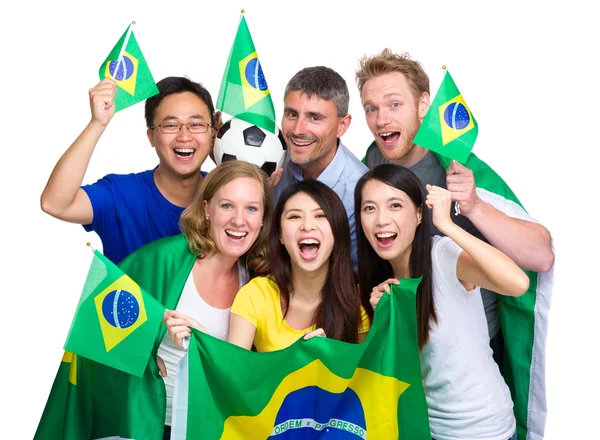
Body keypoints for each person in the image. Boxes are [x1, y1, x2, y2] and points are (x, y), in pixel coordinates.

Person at [355, 49, 554, 369]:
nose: (381, 120)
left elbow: (541, 255)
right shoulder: (373, 161)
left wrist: (474, 206)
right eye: (371, 108)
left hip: (473, 352)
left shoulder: (458, 166)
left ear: (423, 105)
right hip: (411, 344)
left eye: (394, 104)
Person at [54, 160, 273, 440]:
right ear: (207, 209)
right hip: (147, 424)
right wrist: (144, 348)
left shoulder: (259, 280)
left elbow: (250, 370)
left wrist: (204, 343)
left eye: (251, 208)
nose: (239, 220)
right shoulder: (159, 261)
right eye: (227, 205)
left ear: (263, 218)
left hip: (211, 427)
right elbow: (96, 326)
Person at [355, 164, 528, 440]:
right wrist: (385, 321)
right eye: (369, 208)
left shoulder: (442, 255)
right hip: (429, 429)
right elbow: (404, 371)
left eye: (395, 206)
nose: (381, 220)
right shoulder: (382, 283)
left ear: (419, 214)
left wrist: (447, 225)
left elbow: (518, 283)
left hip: (483, 430)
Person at [167, 180, 369, 353]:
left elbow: (365, 383)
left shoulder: (356, 300)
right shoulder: (257, 295)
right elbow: (232, 372)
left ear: (338, 231)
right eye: (294, 217)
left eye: (320, 216)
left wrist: (328, 364)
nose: (307, 226)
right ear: (280, 235)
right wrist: (201, 340)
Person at [40, 76, 219, 264]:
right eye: (170, 125)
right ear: (151, 137)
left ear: (212, 134)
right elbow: (54, 203)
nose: (184, 136)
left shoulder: (227, 197)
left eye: (196, 125)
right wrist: (97, 123)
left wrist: (228, 158)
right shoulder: (121, 195)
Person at [273, 66, 368, 272]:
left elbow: (353, 278)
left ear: (342, 125)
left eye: (314, 118)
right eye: (291, 114)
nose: (298, 130)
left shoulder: (359, 193)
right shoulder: (272, 157)